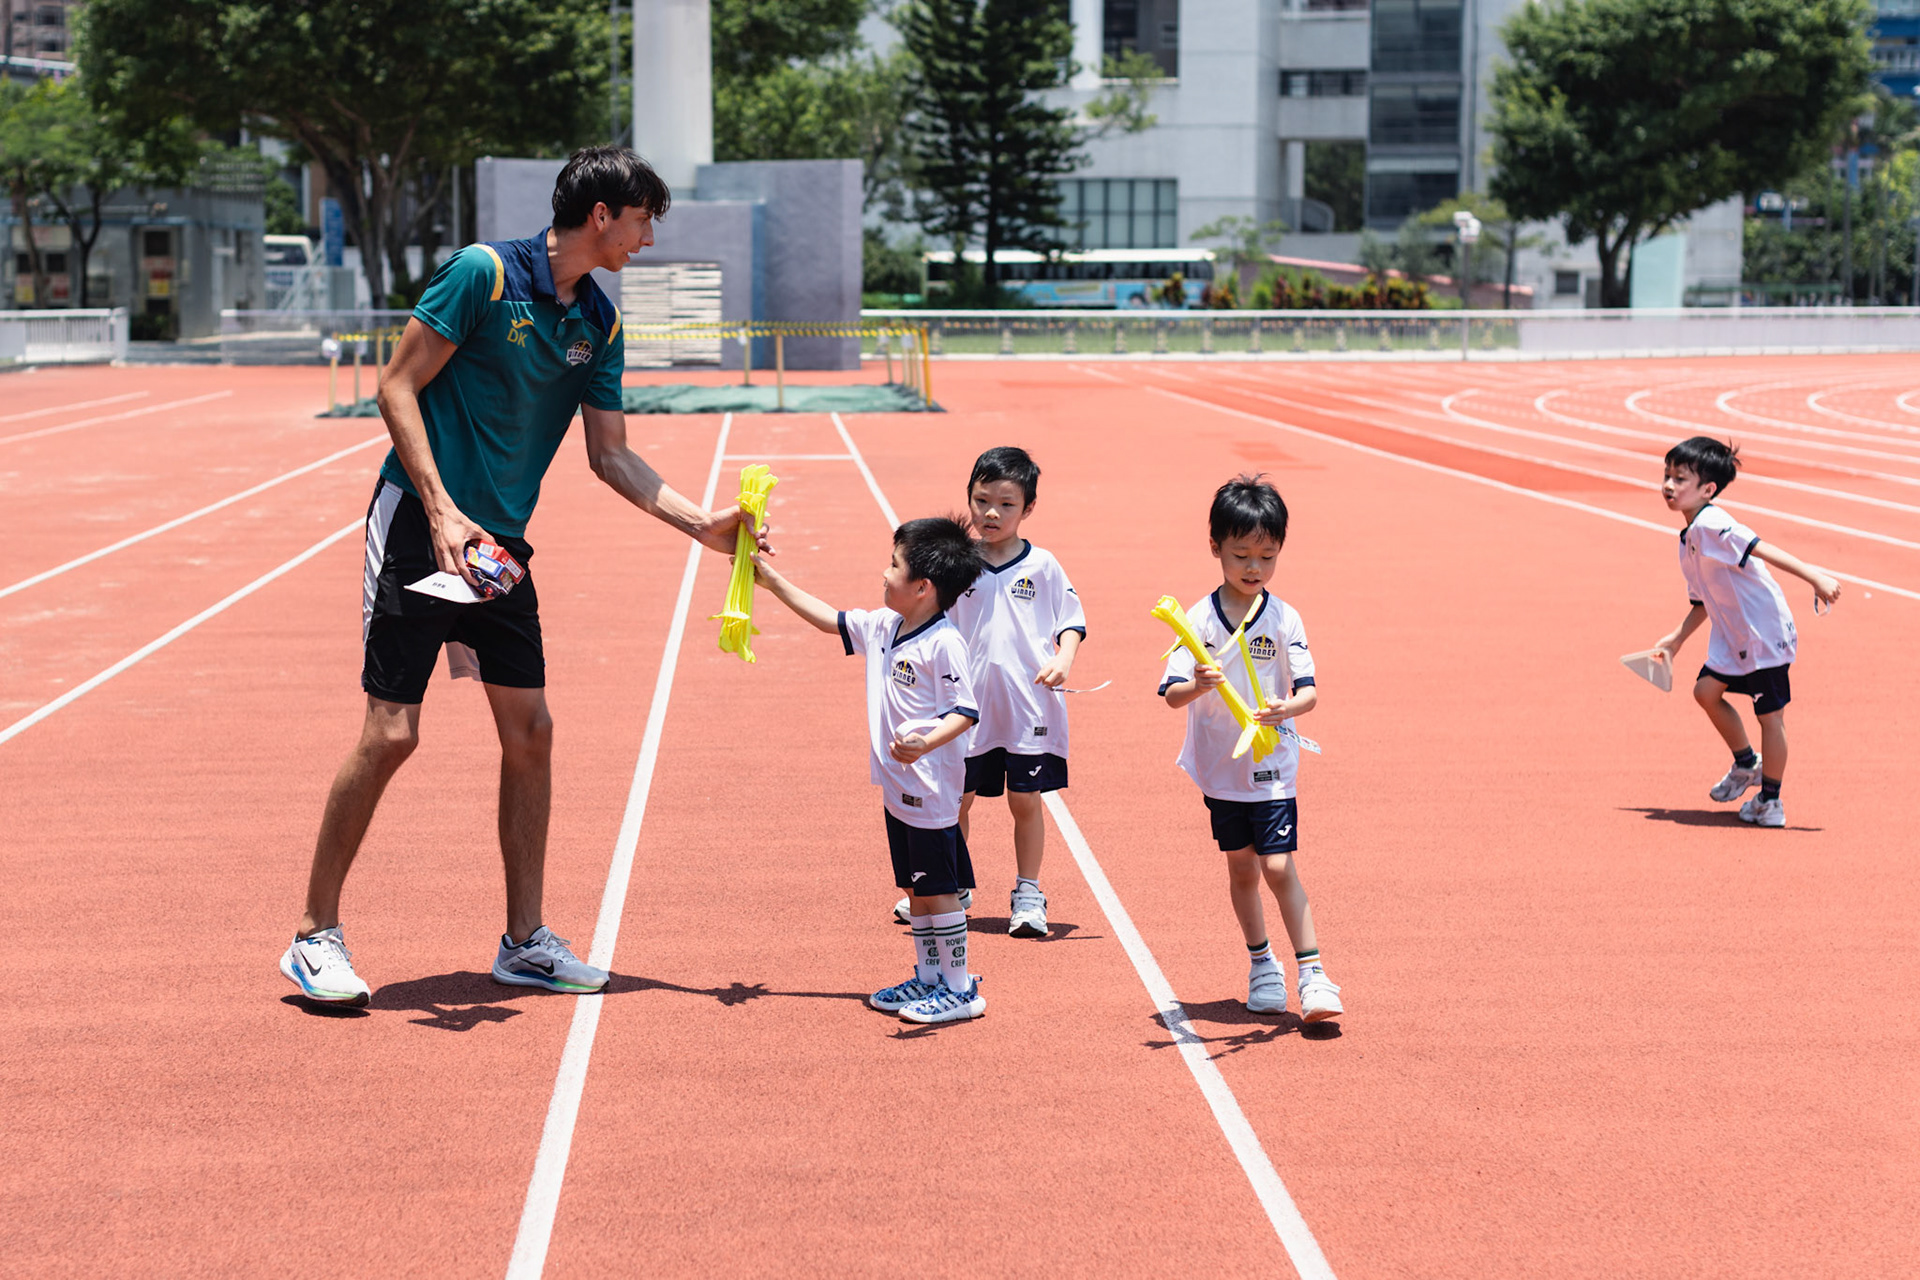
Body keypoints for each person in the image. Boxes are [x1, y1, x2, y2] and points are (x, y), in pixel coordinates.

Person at [281, 147, 765, 1007]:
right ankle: (314, 935)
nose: (650, 238)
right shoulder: (485, 275)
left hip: (497, 549)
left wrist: (703, 526)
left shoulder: (600, 322)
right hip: (417, 529)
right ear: (603, 214)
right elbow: (395, 389)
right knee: (392, 735)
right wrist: (439, 510)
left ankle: (524, 942)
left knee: (531, 732)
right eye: (645, 219)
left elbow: (610, 456)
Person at [754, 519, 989, 1024]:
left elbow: (964, 711)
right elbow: (829, 619)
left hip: (930, 790)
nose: (884, 573)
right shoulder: (886, 626)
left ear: (923, 587)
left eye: (894, 565)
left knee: (939, 890)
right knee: (915, 887)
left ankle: (961, 988)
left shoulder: (943, 644)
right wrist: (772, 582)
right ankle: (929, 979)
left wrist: (926, 739)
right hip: (897, 787)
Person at [1159, 476, 1342, 1022]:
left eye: (1267, 555)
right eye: (1241, 554)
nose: (1254, 567)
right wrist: (1199, 682)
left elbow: (1308, 692)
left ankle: (1313, 974)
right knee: (1241, 868)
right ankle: (1262, 965)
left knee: (1279, 866)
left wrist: (1286, 708)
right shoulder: (1193, 620)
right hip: (1219, 768)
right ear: (1214, 546)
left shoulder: (1285, 618)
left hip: (1271, 763)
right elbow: (1171, 695)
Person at [904, 446, 1084, 939]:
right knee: (955, 802)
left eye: (1006, 504)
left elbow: (1070, 621)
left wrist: (1064, 657)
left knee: (1025, 801)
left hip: (1027, 710)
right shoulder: (954, 566)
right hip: (963, 711)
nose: (991, 513)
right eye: (982, 500)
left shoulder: (1043, 566)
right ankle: (953, 886)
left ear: (1027, 509)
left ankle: (1028, 892)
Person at [1652, 436, 1841, 828]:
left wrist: (1815, 577)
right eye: (1667, 475)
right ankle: (1746, 764)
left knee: (1770, 717)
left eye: (1680, 478)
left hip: (1763, 635)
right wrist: (1677, 638)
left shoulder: (1713, 524)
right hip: (1734, 636)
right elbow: (1701, 600)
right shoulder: (1689, 538)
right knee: (1706, 692)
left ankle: (1771, 800)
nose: (1669, 485)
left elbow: (1761, 548)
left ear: (1708, 489)